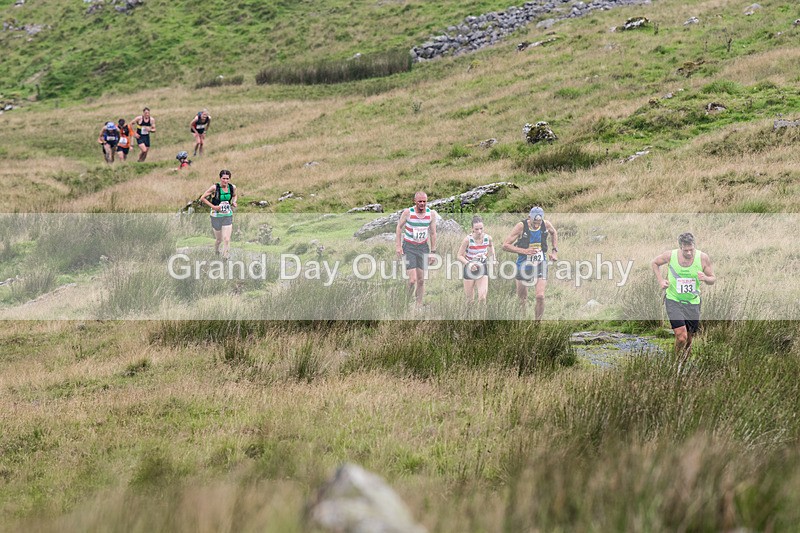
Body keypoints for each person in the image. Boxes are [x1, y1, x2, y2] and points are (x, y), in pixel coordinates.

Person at [651, 232, 716, 369]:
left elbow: (712, 279)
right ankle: (675, 364)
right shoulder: (670, 255)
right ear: (680, 247)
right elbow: (655, 263)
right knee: (681, 337)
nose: (689, 253)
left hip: (693, 303)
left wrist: (705, 278)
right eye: (686, 250)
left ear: (694, 246)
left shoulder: (702, 258)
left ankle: (683, 367)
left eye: (691, 249)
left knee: (689, 339)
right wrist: (661, 280)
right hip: (673, 301)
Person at [502, 206, 558, 320]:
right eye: (534, 222)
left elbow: (554, 232)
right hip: (523, 265)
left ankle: (537, 324)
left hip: (540, 263)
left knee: (540, 296)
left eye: (539, 222)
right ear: (529, 217)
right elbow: (505, 245)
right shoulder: (521, 226)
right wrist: (525, 251)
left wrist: (554, 251)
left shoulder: (546, 224)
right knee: (522, 300)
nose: (537, 225)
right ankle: (523, 321)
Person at [395, 191, 438, 309]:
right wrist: (398, 246)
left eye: (424, 201)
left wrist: (433, 252)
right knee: (412, 280)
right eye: (420, 201)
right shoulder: (408, 213)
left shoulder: (431, 214)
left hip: (423, 248)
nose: (422, 204)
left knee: (421, 280)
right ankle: (405, 301)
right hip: (409, 247)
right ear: (415, 201)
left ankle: (418, 306)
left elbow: (433, 233)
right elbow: (399, 227)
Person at [457, 215, 496, 304]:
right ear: (472, 229)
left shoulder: (488, 238)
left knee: (482, 298)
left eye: (481, 228)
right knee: (470, 300)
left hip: (482, 266)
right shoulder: (467, 240)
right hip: (470, 267)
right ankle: (470, 312)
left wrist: (493, 258)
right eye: (476, 229)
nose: (479, 231)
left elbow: (491, 246)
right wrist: (469, 264)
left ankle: (482, 313)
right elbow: (459, 256)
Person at [199, 170, 237, 259]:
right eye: (224, 178)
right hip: (216, 216)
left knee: (226, 239)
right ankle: (216, 251)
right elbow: (202, 198)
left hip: (227, 215)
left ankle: (225, 258)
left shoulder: (232, 187)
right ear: (220, 178)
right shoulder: (214, 188)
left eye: (227, 179)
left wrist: (234, 202)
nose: (225, 181)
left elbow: (235, 195)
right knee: (219, 240)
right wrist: (213, 207)